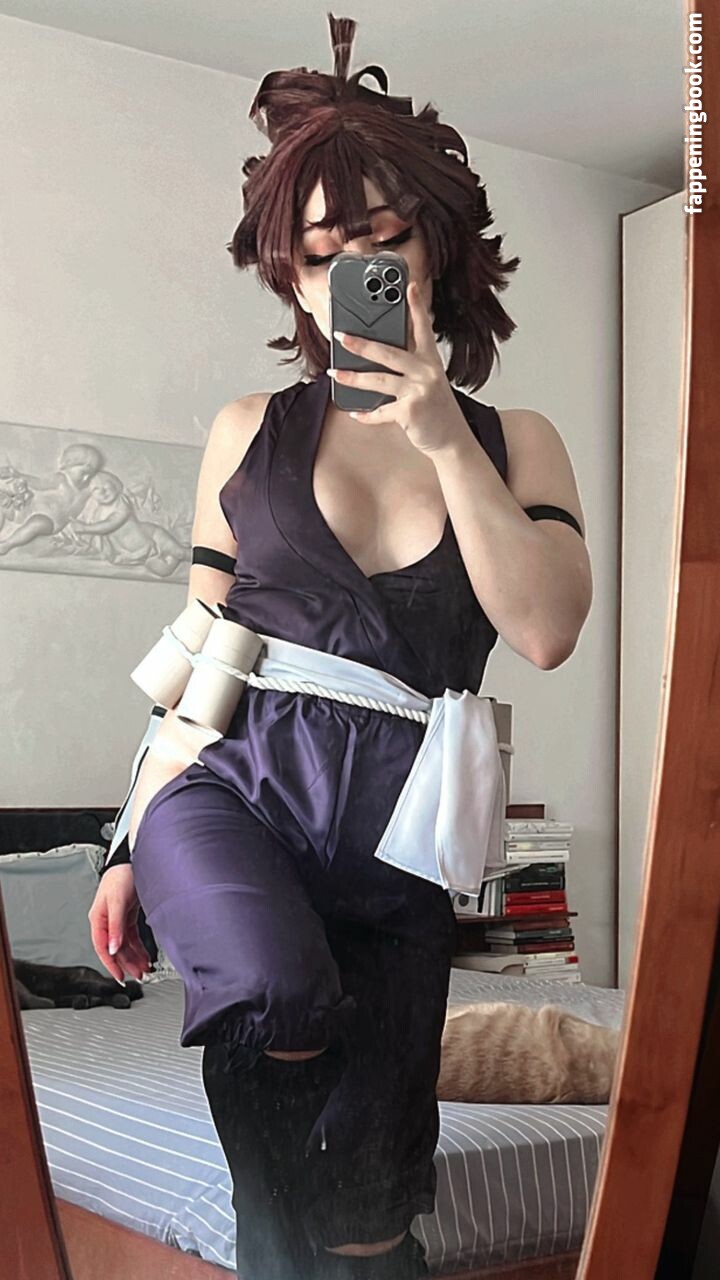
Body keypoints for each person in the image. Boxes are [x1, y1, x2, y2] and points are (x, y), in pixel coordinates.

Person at [88, 13, 592, 1279]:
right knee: (270, 989)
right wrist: (127, 838)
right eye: (319, 251)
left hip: (398, 846)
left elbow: (544, 629)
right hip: (234, 791)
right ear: (292, 277)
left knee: (371, 1216)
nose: (352, 268)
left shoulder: (516, 439)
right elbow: (200, 647)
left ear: (435, 248)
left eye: (383, 238)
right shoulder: (246, 429)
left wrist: (441, 435)